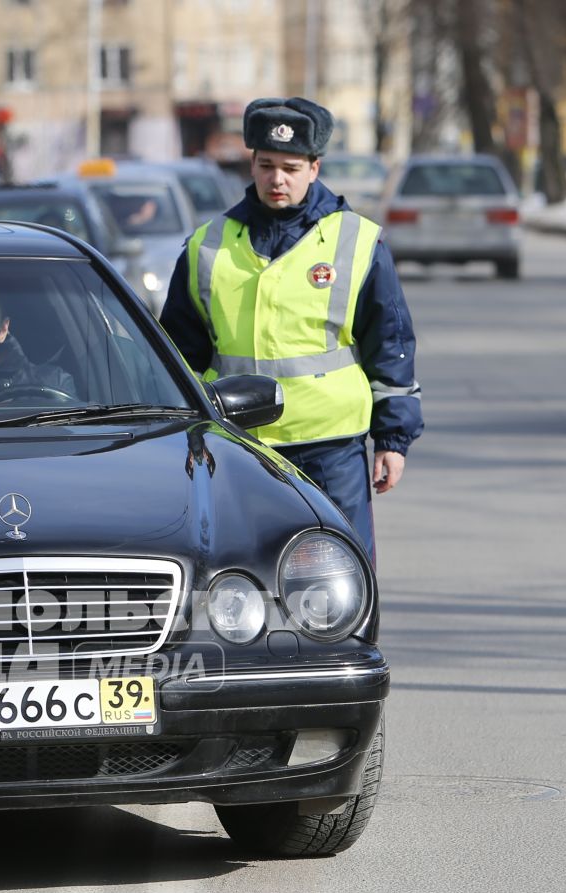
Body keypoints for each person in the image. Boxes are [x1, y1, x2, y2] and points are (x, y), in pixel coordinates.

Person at [160, 96, 421, 563]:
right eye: (266, 165)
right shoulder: (207, 246)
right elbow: (179, 354)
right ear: (252, 165)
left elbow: (391, 345)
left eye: (290, 167)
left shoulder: (356, 242)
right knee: (243, 576)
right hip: (241, 448)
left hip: (332, 446)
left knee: (343, 572)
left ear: (314, 168)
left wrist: (392, 440)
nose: (277, 179)